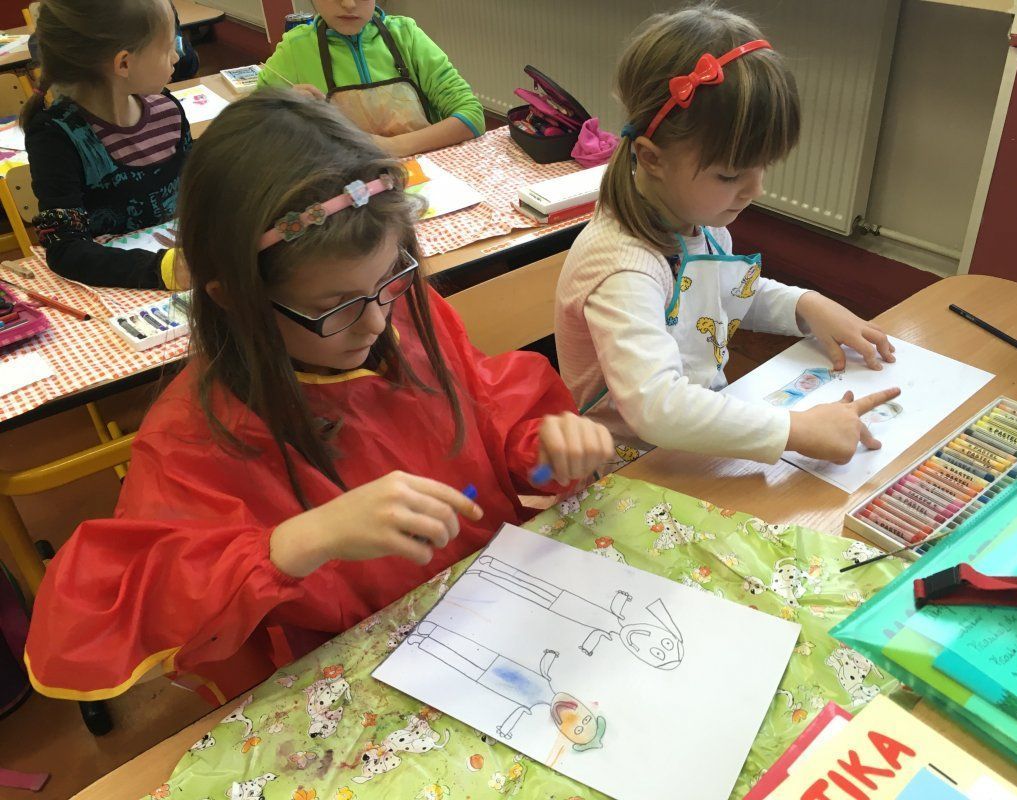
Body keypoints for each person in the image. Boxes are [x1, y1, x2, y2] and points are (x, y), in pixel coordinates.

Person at [25, 91, 613, 704]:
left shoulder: (403, 315)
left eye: (390, 278)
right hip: (367, 676)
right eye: (334, 307)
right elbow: (89, 624)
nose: (376, 323)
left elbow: (490, 424)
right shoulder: (194, 437)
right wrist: (297, 543)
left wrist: (543, 448)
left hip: (502, 614)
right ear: (235, 298)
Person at [555, 2, 899, 472]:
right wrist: (795, 431)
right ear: (652, 158)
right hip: (629, 472)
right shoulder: (623, 267)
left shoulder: (699, 220)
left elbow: (721, 295)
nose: (757, 190)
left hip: (696, 447)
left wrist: (804, 305)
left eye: (763, 167)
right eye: (731, 174)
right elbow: (658, 407)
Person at [22, 0, 191, 289]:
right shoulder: (56, 135)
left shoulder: (168, 111)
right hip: (119, 290)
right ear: (124, 63)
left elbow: (196, 194)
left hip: (181, 275)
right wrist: (162, 269)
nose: (176, 56)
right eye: (166, 48)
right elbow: (65, 249)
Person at [258, 0, 483, 156]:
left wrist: (393, 146)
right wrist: (285, 111)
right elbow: (255, 128)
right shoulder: (294, 50)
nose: (349, 4)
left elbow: (471, 116)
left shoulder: (407, 36)